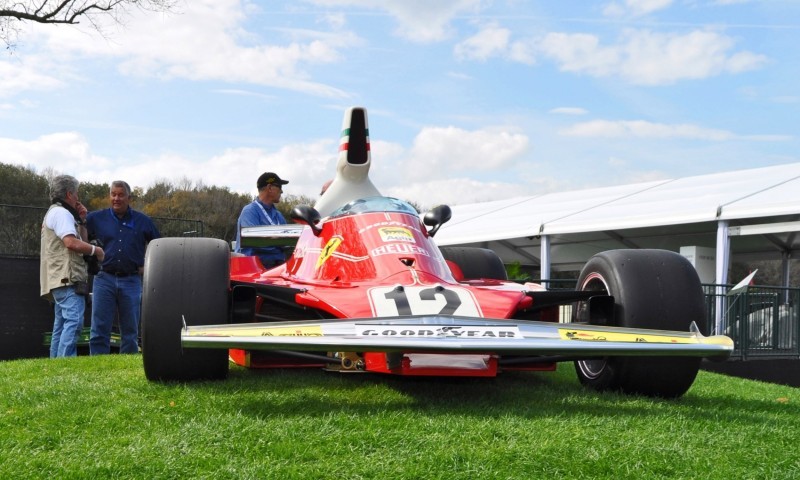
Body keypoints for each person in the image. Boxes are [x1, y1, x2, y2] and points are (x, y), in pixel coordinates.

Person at [86, 180, 160, 355]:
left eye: (120, 195)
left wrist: (147, 266)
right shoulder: (95, 218)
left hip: (132, 280)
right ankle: (97, 367)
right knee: (99, 329)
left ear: (129, 197)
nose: (116, 198)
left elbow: (158, 245)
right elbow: (78, 231)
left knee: (130, 331)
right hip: (103, 278)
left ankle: (126, 369)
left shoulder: (143, 221)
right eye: (113, 194)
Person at [40, 174, 105, 358]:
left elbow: (79, 241)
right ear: (69, 194)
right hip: (67, 278)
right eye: (76, 193)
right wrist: (97, 250)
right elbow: (71, 243)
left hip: (59, 278)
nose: (78, 198)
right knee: (74, 322)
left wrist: (83, 220)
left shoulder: (55, 213)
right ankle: (66, 364)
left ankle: (56, 365)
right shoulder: (62, 214)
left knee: (60, 325)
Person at [235, 171, 289, 267]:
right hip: (252, 270)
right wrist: (280, 244)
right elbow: (254, 241)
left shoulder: (278, 215)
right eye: (279, 187)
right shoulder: (250, 211)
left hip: (275, 268)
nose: (282, 191)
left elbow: (288, 242)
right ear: (269, 188)